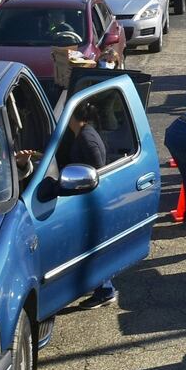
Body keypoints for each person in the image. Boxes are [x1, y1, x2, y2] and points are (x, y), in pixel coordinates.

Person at [63, 103, 118, 307]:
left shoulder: (87, 138)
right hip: (86, 198)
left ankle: (105, 290)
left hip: (91, 200)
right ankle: (101, 287)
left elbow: (98, 169)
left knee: (92, 246)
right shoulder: (84, 134)